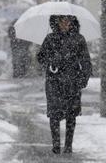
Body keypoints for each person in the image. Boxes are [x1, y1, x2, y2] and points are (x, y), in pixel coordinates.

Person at [36, 15, 92, 154]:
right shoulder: (50, 39)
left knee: (71, 114)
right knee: (54, 114)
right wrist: (51, 61)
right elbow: (40, 57)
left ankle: (68, 145)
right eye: (62, 20)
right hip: (54, 81)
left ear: (73, 22)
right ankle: (56, 145)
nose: (65, 23)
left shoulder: (79, 39)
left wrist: (83, 78)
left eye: (68, 20)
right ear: (57, 22)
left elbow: (86, 61)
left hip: (73, 81)